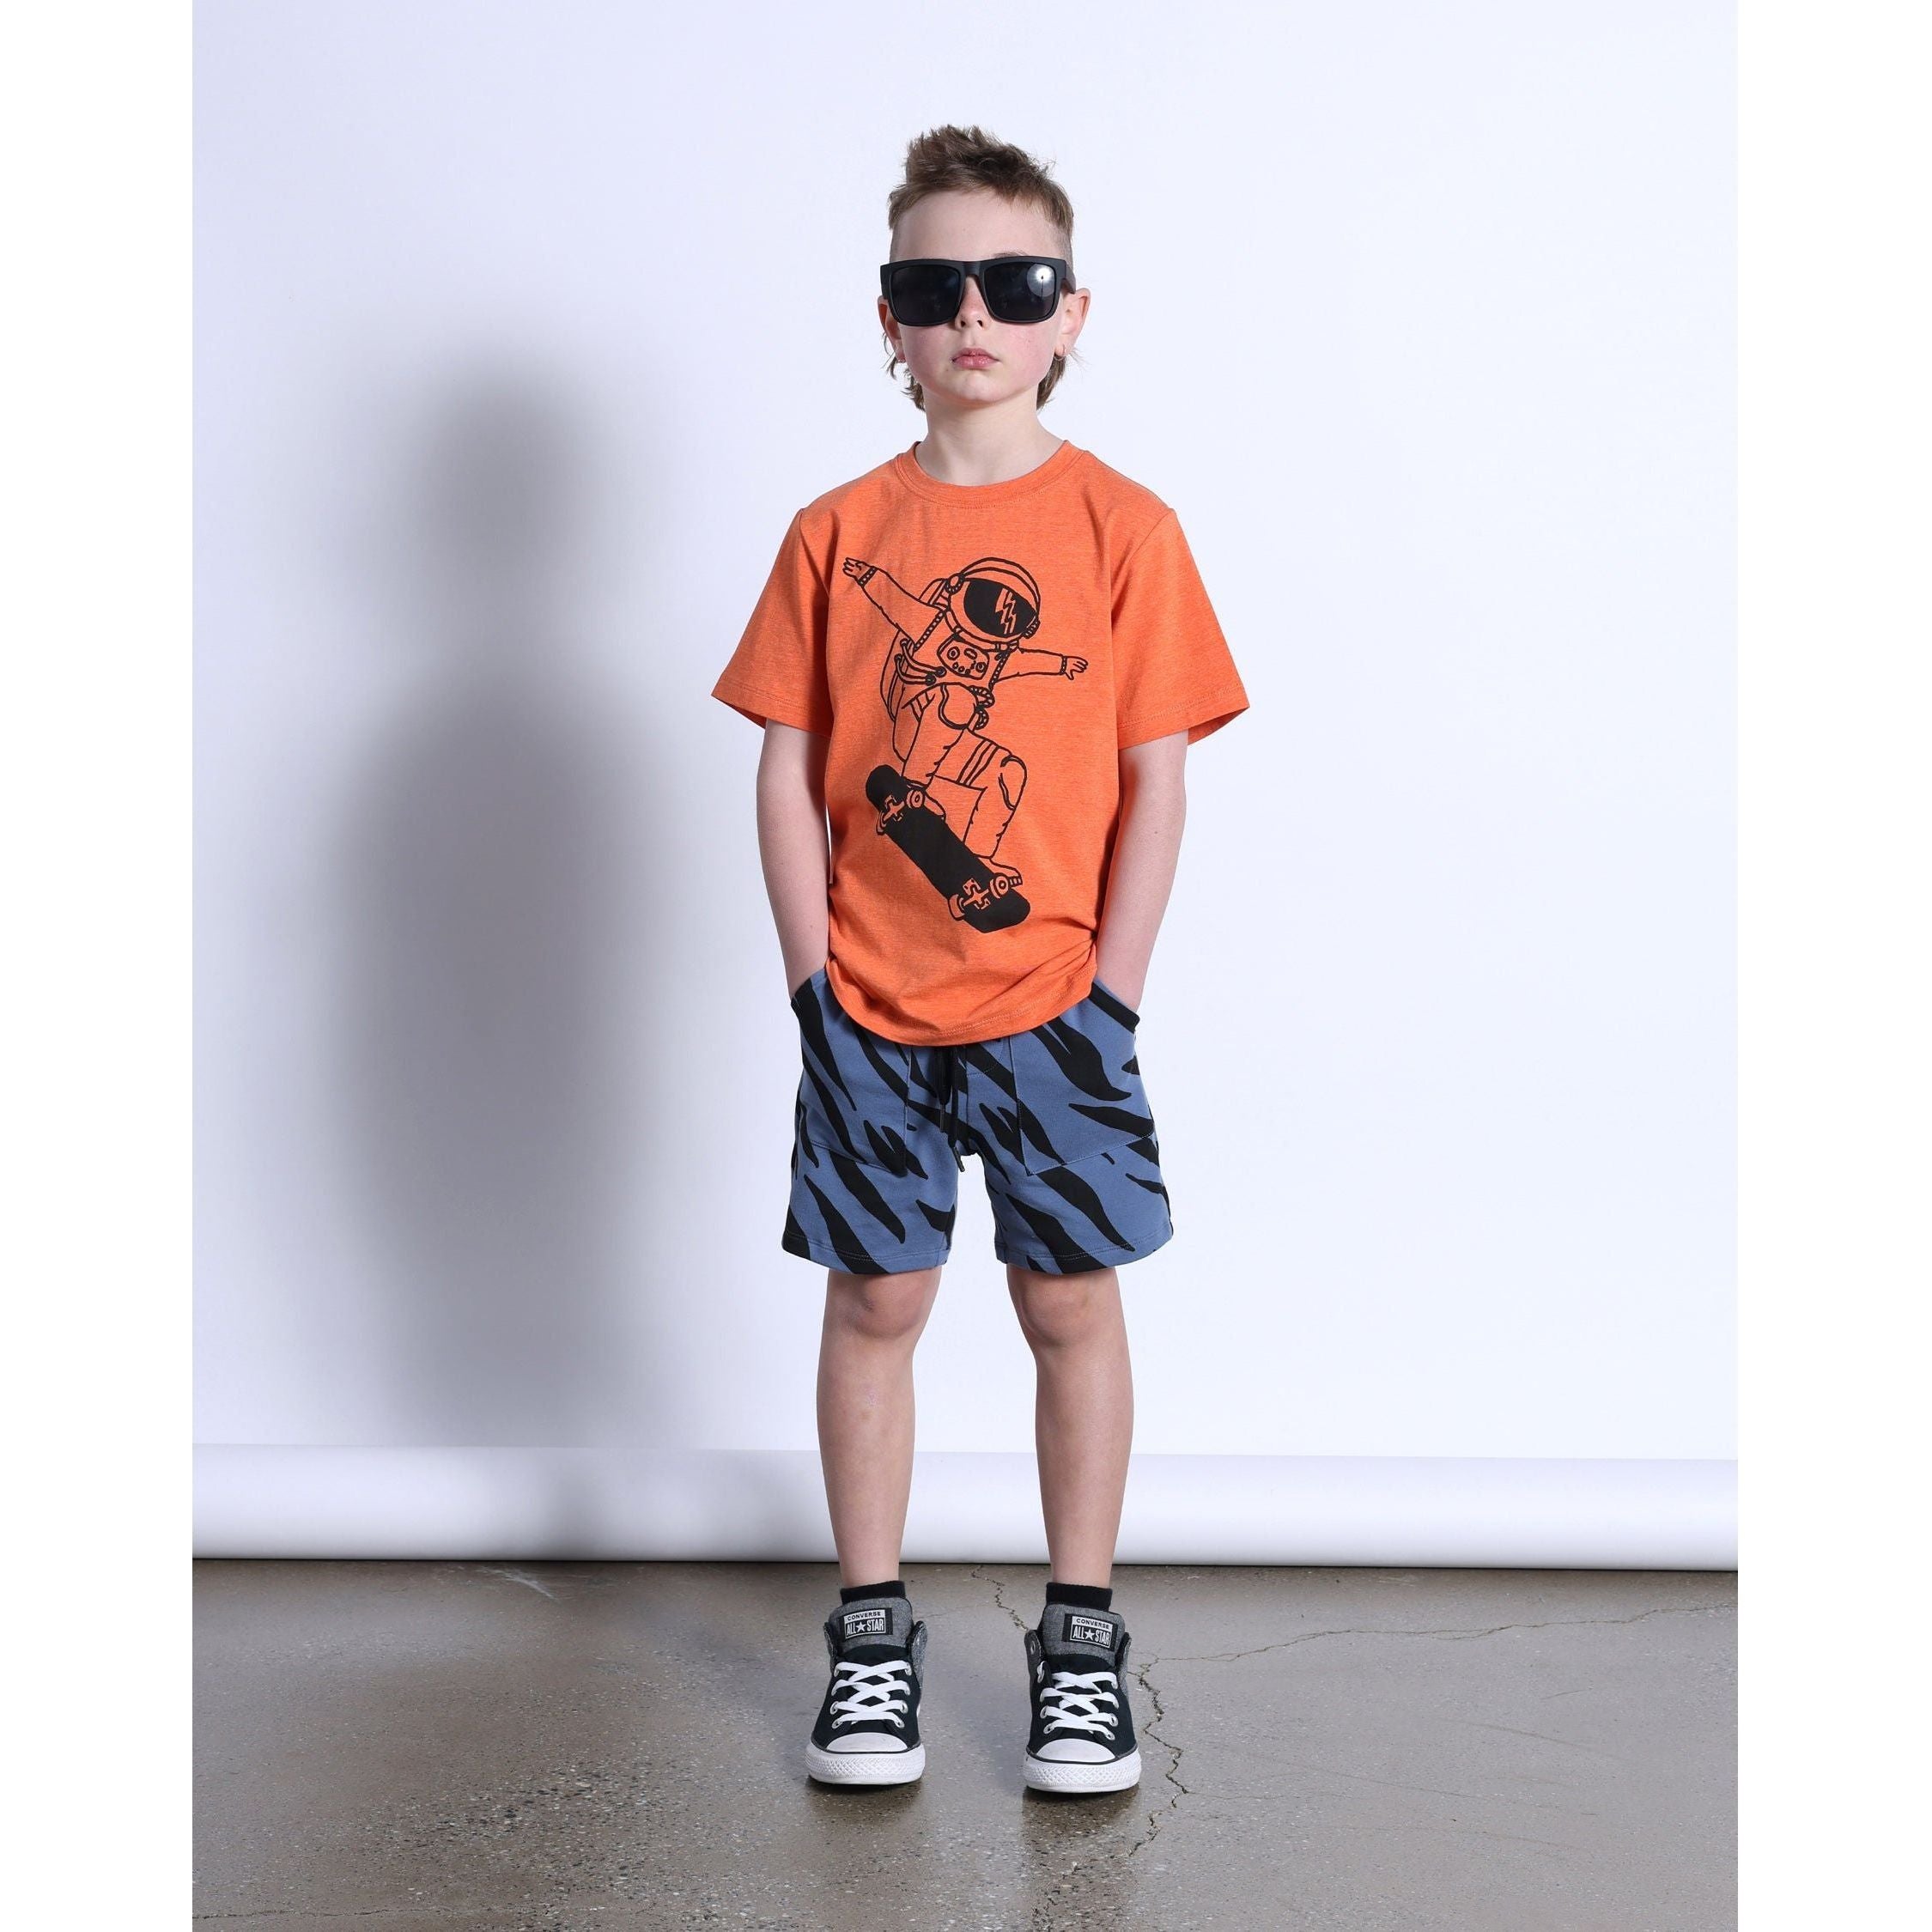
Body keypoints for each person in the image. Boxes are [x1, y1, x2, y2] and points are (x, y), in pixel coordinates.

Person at [710, 124, 1249, 1794]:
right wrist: (812, 986)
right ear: (887, 314)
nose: (972, 315)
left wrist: (1114, 994)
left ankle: (1079, 1642)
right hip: (870, 1000)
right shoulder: (835, 532)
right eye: (933, 284)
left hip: (1053, 1005)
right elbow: (786, 768)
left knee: (1067, 1297)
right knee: (877, 1296)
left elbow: (1159, 776)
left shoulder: (1125, 529)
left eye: (1012, 284)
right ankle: (871, 1638)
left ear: (1070, 312)